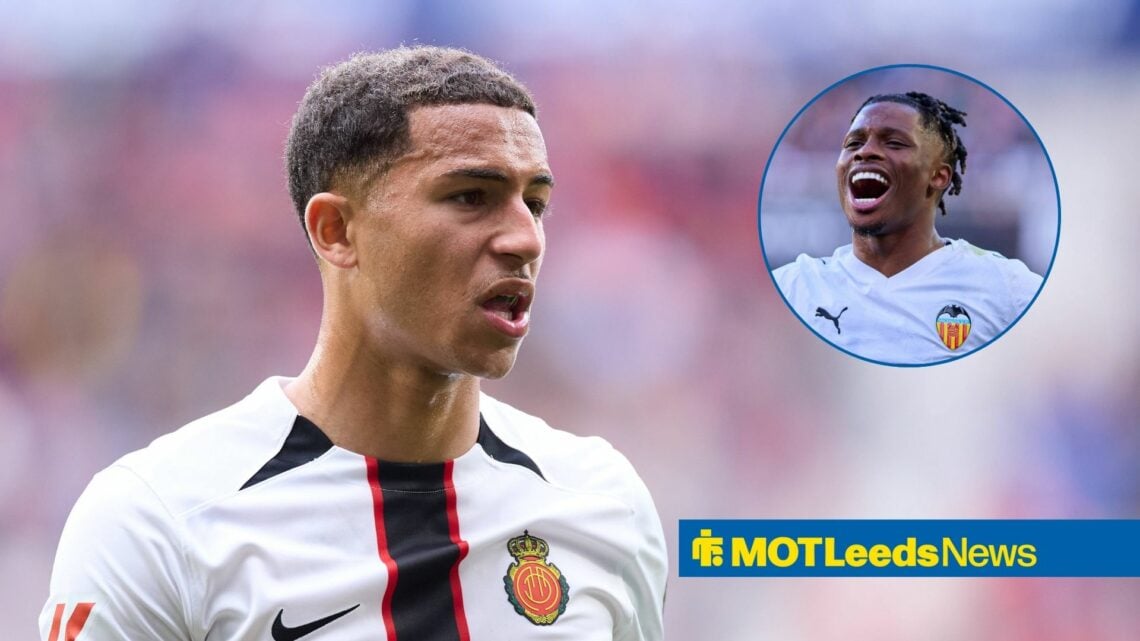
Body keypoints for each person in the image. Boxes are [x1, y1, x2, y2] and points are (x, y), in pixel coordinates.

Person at [40, 46, 667, 641]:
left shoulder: (602, 502)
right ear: (336, 230)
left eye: (535, 203)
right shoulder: (158, 522)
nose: (524, 239)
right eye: (470, 197)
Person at [772, 91, 1043, 364]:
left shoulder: (1006, 289)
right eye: (853, 143)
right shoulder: (795, 287)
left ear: (938, 176)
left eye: (894, 143)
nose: (864, 152)